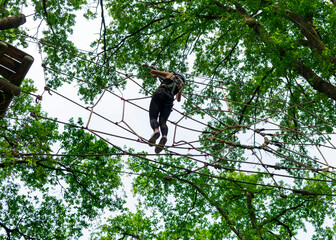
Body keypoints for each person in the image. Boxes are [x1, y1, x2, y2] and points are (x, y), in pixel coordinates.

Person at [148, 69, 186, 153]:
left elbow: (152, 71)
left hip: (160, 93)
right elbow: (178, 99)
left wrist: (157, 75)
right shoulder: (181, 85)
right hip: (169, 100)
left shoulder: (170, 75)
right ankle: (164, 136)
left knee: (153, 116)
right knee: (163, 121)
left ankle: (156, 131)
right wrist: (180, 89)